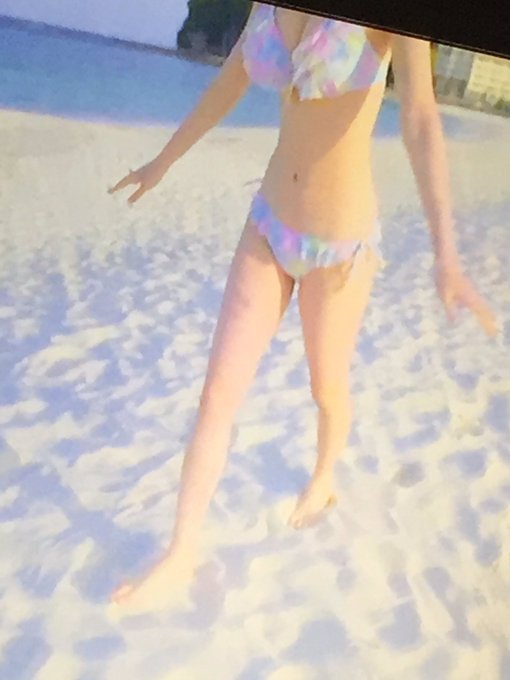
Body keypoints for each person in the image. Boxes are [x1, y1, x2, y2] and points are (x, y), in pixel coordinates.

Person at [108, 2, 497, 611]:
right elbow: (230, 81)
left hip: (340, 247)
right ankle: (181, 550)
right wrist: (163, 161)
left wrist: (446, 253)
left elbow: (421, 119)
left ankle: (324, 476)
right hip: (267, 224)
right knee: (217, 396)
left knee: (326, 388)